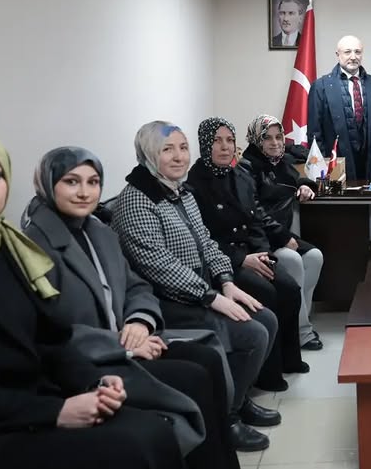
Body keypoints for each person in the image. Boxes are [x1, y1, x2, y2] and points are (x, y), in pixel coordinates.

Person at [0, 130, 199, 469]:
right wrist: (56, 412)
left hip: (33, 397)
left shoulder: (8, 247)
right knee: (125, 452)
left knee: (152, 433)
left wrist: (92, 384)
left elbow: (51, 340)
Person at [22, 146, 263, 469]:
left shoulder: (98, 231)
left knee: (207, 362)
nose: (84, 192)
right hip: (89, 361)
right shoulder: (34, 245)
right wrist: (124, 344)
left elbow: (136, 286)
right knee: (194, 377)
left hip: (130, 339)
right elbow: (48, 327)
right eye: (71, 182)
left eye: (93, 182)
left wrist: (140, 322)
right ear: (47, 184)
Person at [111, 121, 283, 435]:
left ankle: (238, 399)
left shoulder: (180, 191)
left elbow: (206, 242)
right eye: (167, 149)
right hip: (166, 302)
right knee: (253, 335)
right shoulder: (137, 200)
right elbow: (159, 266)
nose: (179, 157)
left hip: (200, 290)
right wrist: (211, 297)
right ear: (148, 156)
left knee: (267, 319)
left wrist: (227, 282)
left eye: (183, 147)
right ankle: (226, 419)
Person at [187, 118, 312, 373]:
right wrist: (242, 260)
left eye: (230, 140)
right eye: (217, 141)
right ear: (204, 145)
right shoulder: (194, 185)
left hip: (253, 252)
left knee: (289, 288)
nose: (225, 147)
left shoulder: (240, 176)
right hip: (225, 262)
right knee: (267, 293)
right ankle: (269, 372)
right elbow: (203, 240)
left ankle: (290, 360)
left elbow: (256, 220)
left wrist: (262, 254)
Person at [239, 115, 325, 349]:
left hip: (281, 234)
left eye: (279, 137)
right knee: (294, 261)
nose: (276, 142)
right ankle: (302, 333)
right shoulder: (246, 168)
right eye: (267, 138)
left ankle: (298, 319)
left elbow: (296, 178)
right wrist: (283, 237)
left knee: (315, 257)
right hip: (260, 239)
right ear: (257, 140)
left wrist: (305, 185)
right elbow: (254, 211)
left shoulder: (280, 161)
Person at [307, 34, 371, 181]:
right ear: (338, 54)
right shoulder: (321, 86)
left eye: (358, 52)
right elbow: (315, 134)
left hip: (370, 166)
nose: (353, 57)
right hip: (335, 166)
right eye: (347, 52)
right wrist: (323, 171)